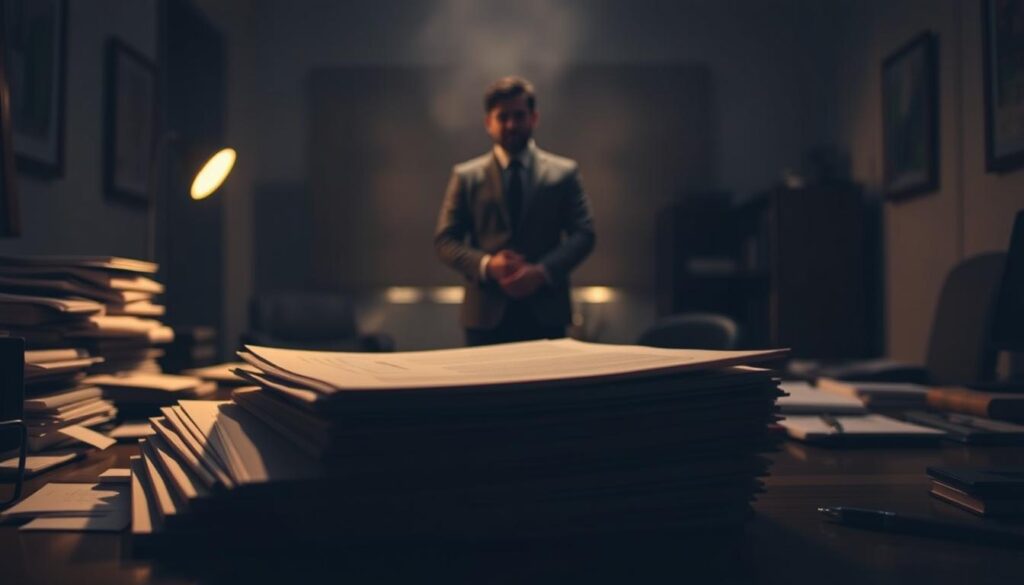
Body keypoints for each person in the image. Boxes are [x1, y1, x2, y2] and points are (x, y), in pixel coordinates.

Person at [435, 76, 596, 346]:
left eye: (519, 115)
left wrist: (541, 272)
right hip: (485, 316)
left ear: (534, 118)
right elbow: (445, 240)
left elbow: (585, 233)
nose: (511, 124)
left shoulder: (564, 173)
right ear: (488, 122)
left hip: (546, 312)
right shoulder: (466, 176)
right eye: (503, 117)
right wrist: (487, 265)